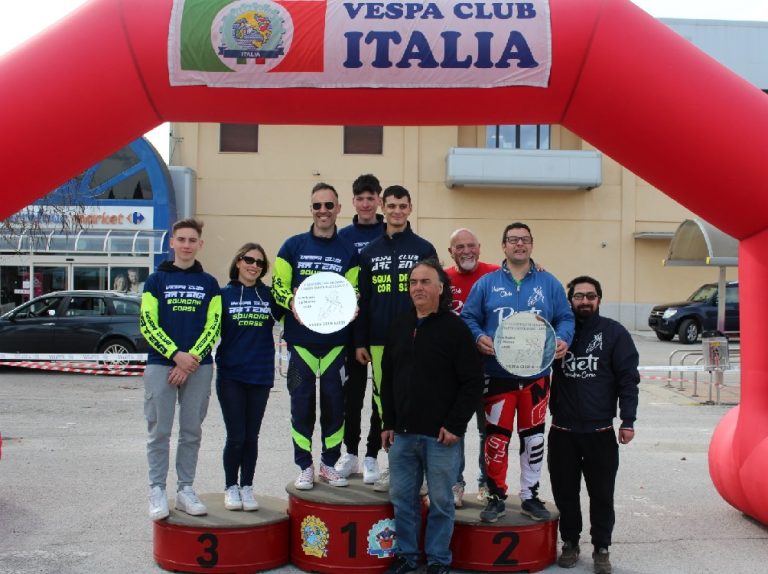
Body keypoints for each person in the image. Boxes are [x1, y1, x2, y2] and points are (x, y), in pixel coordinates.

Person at [462, 222, 574, 523]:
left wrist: (563, 339)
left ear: (532, 245)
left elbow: (565, 317)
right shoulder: (486, 283)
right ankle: (495, 495)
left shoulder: (549, 283)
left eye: (524, 240)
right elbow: (468, 317)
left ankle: (530, 495)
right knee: (496, 438)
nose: (519, 245)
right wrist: (477, 337)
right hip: (496, 373)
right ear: (504, 246)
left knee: (534, 438)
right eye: (513, 240)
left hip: (536, 374)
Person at [380, 259, 483, 574]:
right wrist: (388, 423)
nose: (418, 288)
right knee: (403, 500)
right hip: (403, 435)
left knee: (440, 502)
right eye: (413, 282)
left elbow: (472, 382)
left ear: (441, 288)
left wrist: (455, 425)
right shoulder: (399, 325)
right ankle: (407, 556)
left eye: (425, 282)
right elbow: (387, 377)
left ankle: (438, 560)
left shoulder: (456, 329)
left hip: (441, 436)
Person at [548, 276, 639, 574]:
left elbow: (628, 380)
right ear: (569, 300)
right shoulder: (556, 333)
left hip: (600, 432)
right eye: (578, 296)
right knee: (565, 493)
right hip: (562, 431)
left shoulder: (615, 333)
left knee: (601, 494)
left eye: (590, 296)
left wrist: (628, 420)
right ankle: (570, 543)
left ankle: (602, 547)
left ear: (599, 299)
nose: (584, 301)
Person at [273, 182, 359, 490]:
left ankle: (328, 463)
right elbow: (278, 287)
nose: (323, 211)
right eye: (317, 205)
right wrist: (292, 301)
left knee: (336, 406)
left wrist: (354, 305)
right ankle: (304, 465)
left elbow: (354, 290)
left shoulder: (348, 250)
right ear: (311, 209)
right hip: (300, 344)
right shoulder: (291, 246)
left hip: (336, 344)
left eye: (328, 205)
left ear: (338, 208)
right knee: (301, 405)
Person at [354, 184, 437, 491]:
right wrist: (360, 341)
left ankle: (420, 468)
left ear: (410, 208)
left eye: (402, 206)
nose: (397, 211)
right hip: (377, 340)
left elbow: (434, 294)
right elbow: (362, 301)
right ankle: (394, 466)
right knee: (383, 403)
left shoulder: (424, 248)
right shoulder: (369, 252)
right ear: (382, 208)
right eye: (391, 206)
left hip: (416, 337)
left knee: (417, 399)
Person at [140, 218, 222, 520]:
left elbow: (213, 327)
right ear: (171, 242)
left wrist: (189, 362)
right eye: (181, 239)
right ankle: (157, 489)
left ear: (200, 244)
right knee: (159, 432)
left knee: (191, 432)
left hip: (198, 367)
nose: (187, 245)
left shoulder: (210, 283)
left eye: (192, 240)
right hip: (162, 364)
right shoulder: (155, 281)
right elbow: (148, 323)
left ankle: (185, 489)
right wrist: (175, 355)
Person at [216, 243, 283, 511]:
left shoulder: (269, 297)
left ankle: (247, 486)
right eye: (248, 259)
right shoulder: (222, 296)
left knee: (251, 436)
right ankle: (231, 487)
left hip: (260, 375)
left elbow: (296, 310)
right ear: (238, 261)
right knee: (236, 436)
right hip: (231, 375)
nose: (253, 265)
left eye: (259, 262)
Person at [336, 174, 386, 483]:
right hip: (349, 333)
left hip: (383, 331)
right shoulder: (342, 236)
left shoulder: (390, 233)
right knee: (351, 398)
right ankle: (350, 453)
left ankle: (371, 456)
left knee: (381, 399)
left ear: (379, 200)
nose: (366, 204)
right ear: (353, 202)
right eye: (360, 198)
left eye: (371, 198)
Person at [444, 228, 500, 507]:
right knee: (455, 428)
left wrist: (535, 267)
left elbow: (524, 275)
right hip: (453, 372)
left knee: (486, 430)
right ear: (450, 251)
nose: (466, 251)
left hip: (489, 368)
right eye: (460, 247)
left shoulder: (495, 274)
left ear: (480, 247)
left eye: (471, 245)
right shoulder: (442, 279)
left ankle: (485, 483)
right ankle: (455, 484)